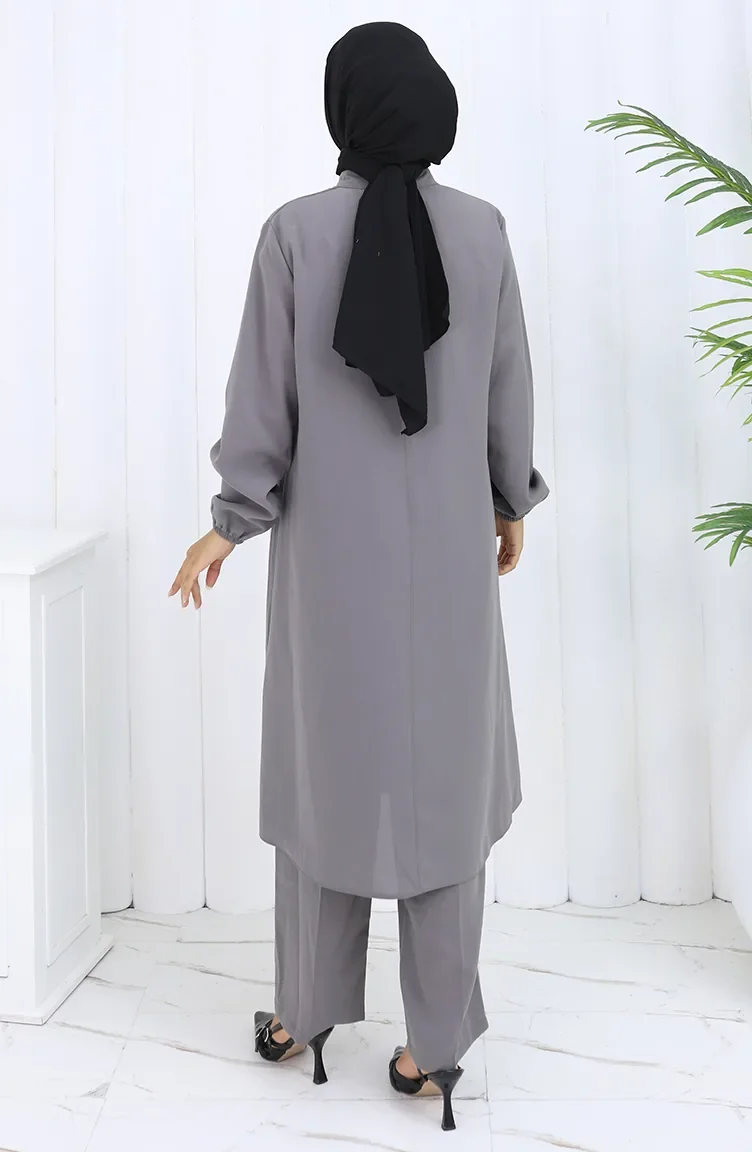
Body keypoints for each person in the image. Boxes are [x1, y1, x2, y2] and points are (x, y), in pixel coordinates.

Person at [169, 20, 548, 1132]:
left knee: (323, 783)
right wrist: (505, 500)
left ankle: (304, 1015)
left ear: (343, 108)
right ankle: (437, 1047)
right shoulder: (481, 230)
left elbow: (262, 401)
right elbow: (507, 385)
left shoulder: (294, 233)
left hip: (329, 564)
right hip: (450, 564)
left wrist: (230, 523)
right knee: (445, 792)